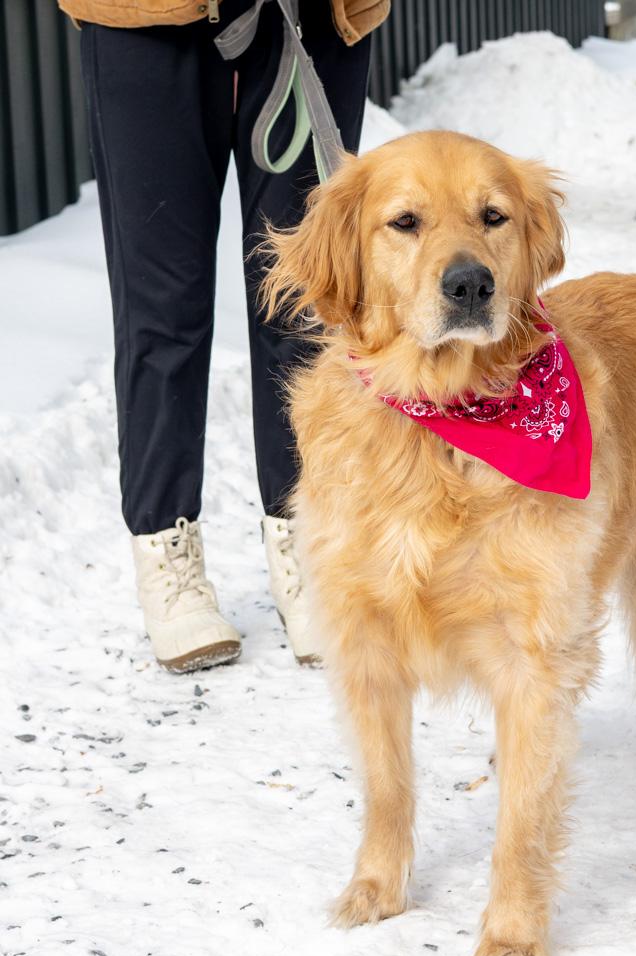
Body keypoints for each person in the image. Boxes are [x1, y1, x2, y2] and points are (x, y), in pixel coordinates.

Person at [59, 0, 388, 671]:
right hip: (144, 21)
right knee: (162, 308)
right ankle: (164, 548)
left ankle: (309, 540)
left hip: (312, 18)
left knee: (305, 299)